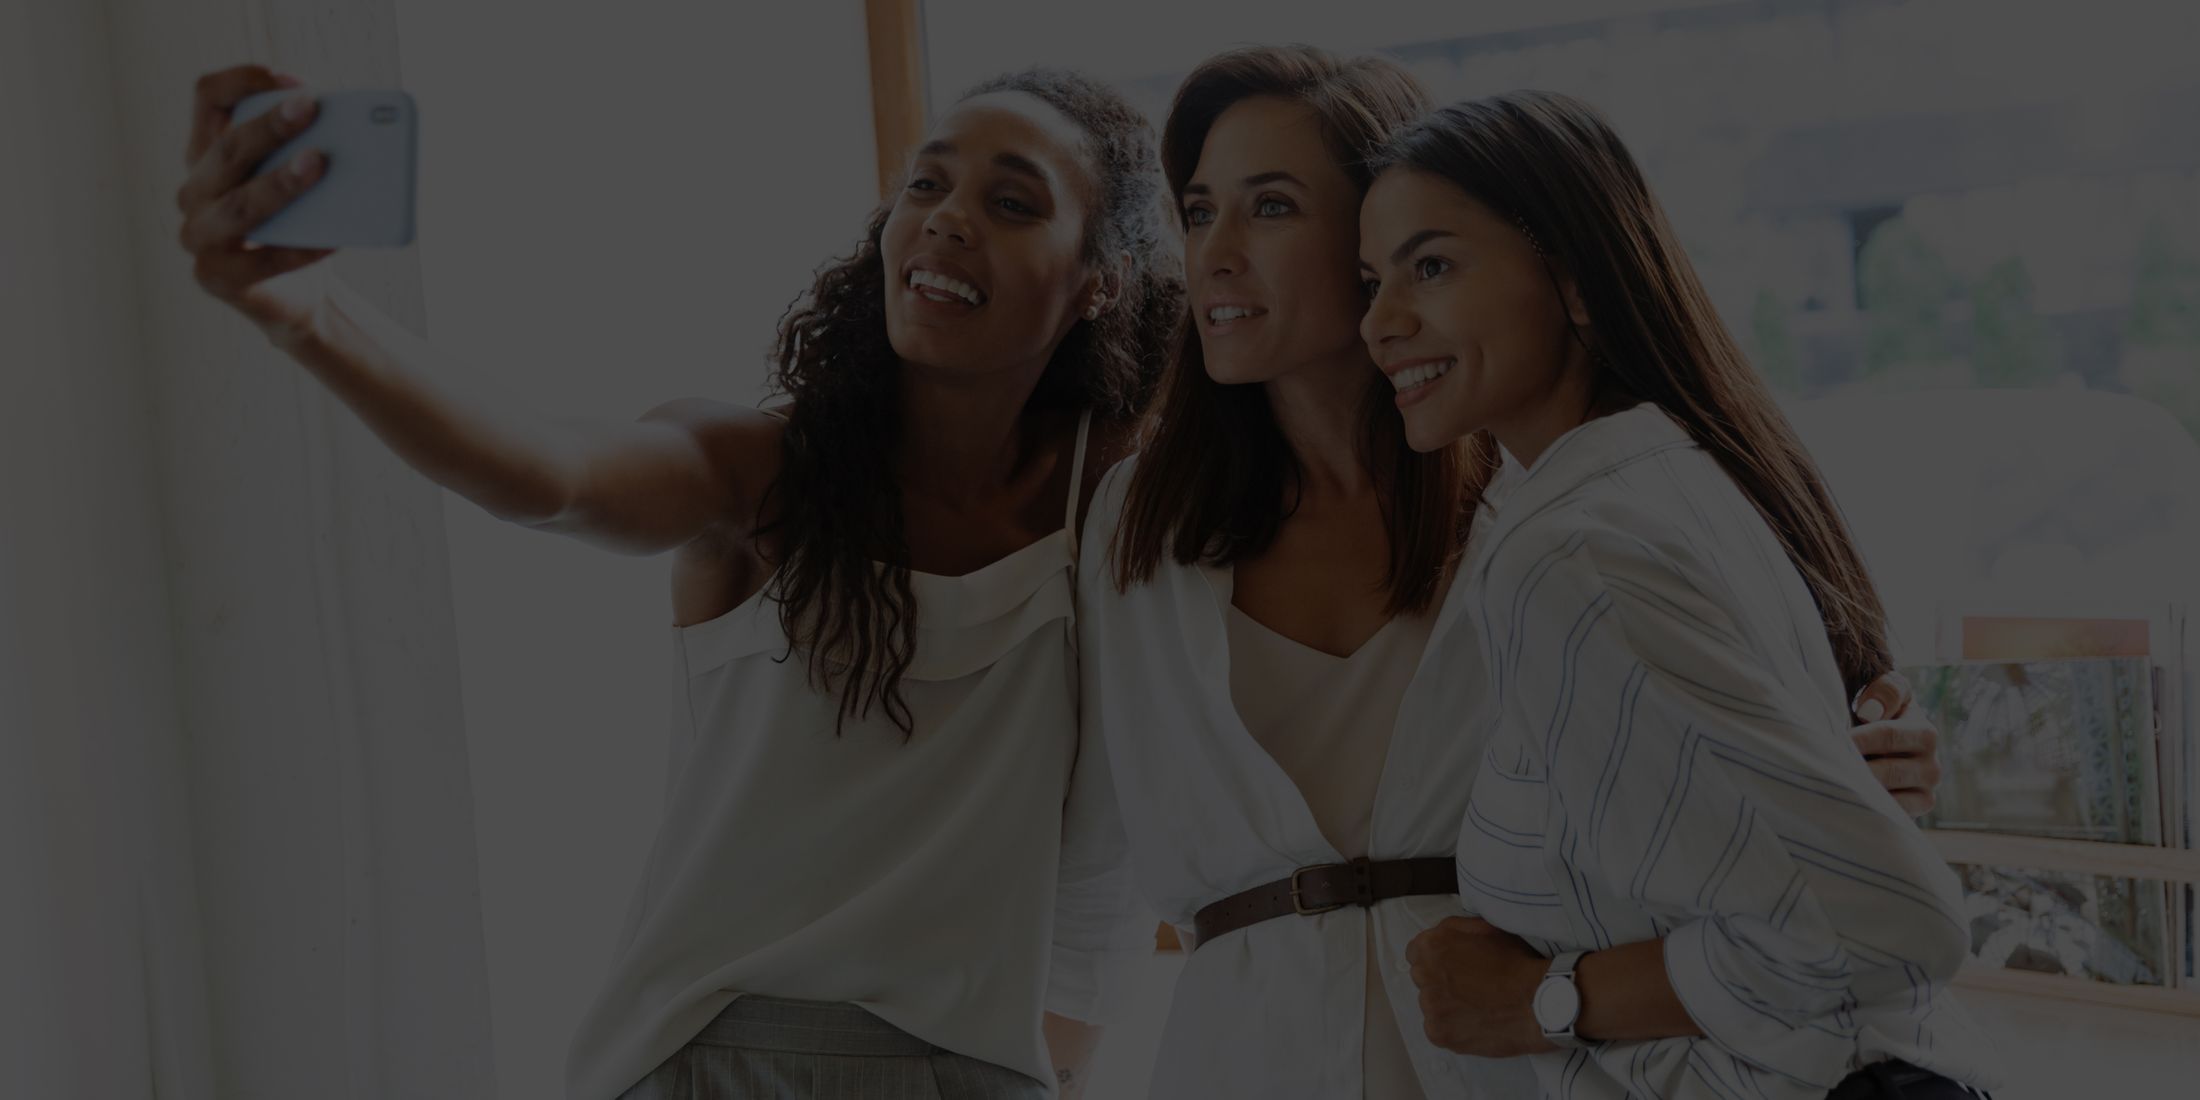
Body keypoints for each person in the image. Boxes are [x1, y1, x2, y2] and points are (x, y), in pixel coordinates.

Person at [176, 63, 1177, 1099]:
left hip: (972, 1071)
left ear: (1101, 278)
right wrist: (304, 310)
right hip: (715, 1060)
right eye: (925, 185)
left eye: (1010, 201)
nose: (947, 220)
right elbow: (549, 474)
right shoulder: (757, 474)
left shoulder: (1105, 502)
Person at [1074, 47, 1948, 1099]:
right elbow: (1094, 837)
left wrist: (1844, 751)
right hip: (1244, 1053)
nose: (1212, 252)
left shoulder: (1547, 499)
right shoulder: (1140, 520)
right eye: (1199, 207)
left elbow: (1813, 871)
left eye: (1269, 206)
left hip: (1518, 1058)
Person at [1358, 91, 1997, 1098]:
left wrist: (1540, 999)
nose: (1379, 322)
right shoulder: (1672, 478)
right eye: (1371, 280)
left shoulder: (1569, 552)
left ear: (1572, 281)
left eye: (1429, 266)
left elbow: (1881, 922)